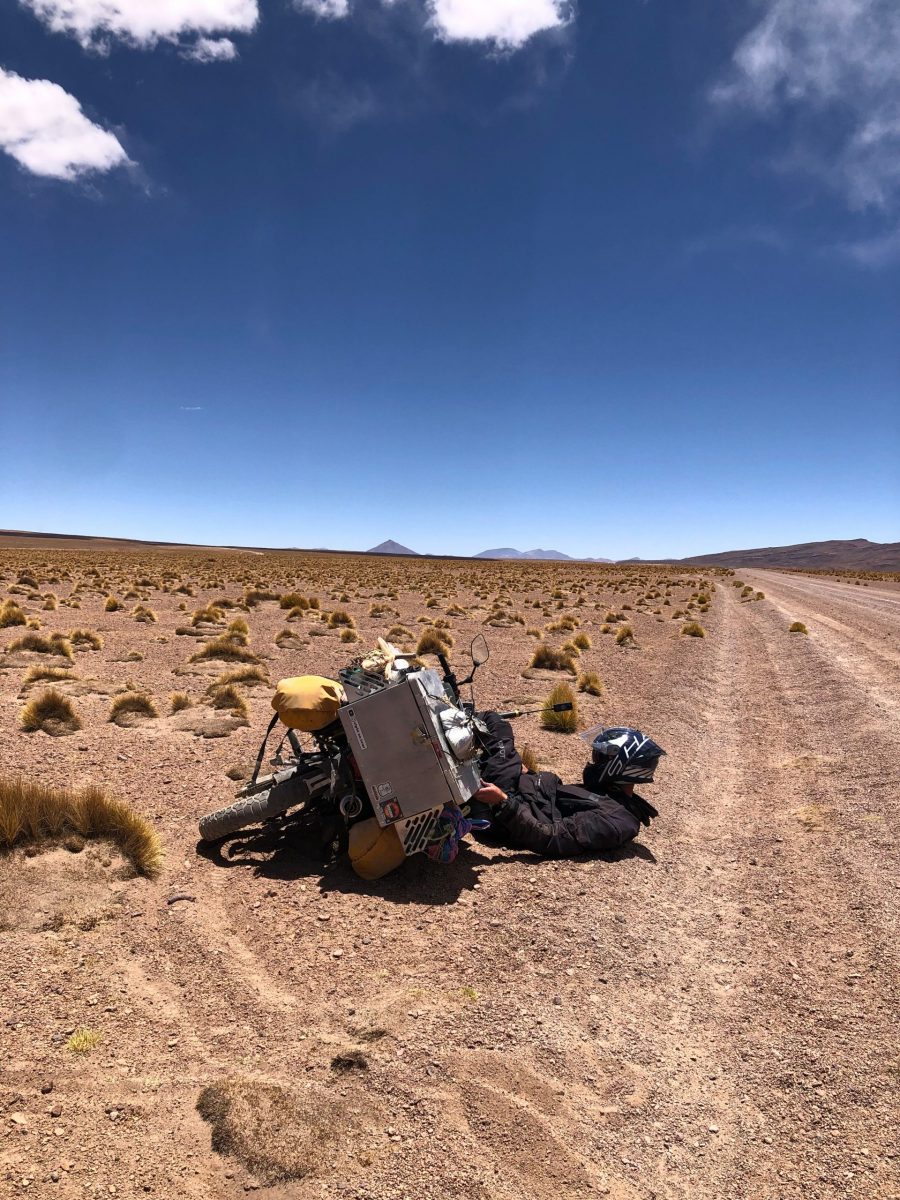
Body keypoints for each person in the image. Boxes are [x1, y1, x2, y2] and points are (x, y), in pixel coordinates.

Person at [471, 714, 665, 858]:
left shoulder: (615, 821)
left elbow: (552, 838)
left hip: (505, 810)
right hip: (518, 793)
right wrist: (528, 774)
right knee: (487, 729)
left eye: (598, 757)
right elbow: (554, 803)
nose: (592, 762)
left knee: (496, 725)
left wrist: (503, 802)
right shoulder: (612, 796)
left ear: (619, 766)